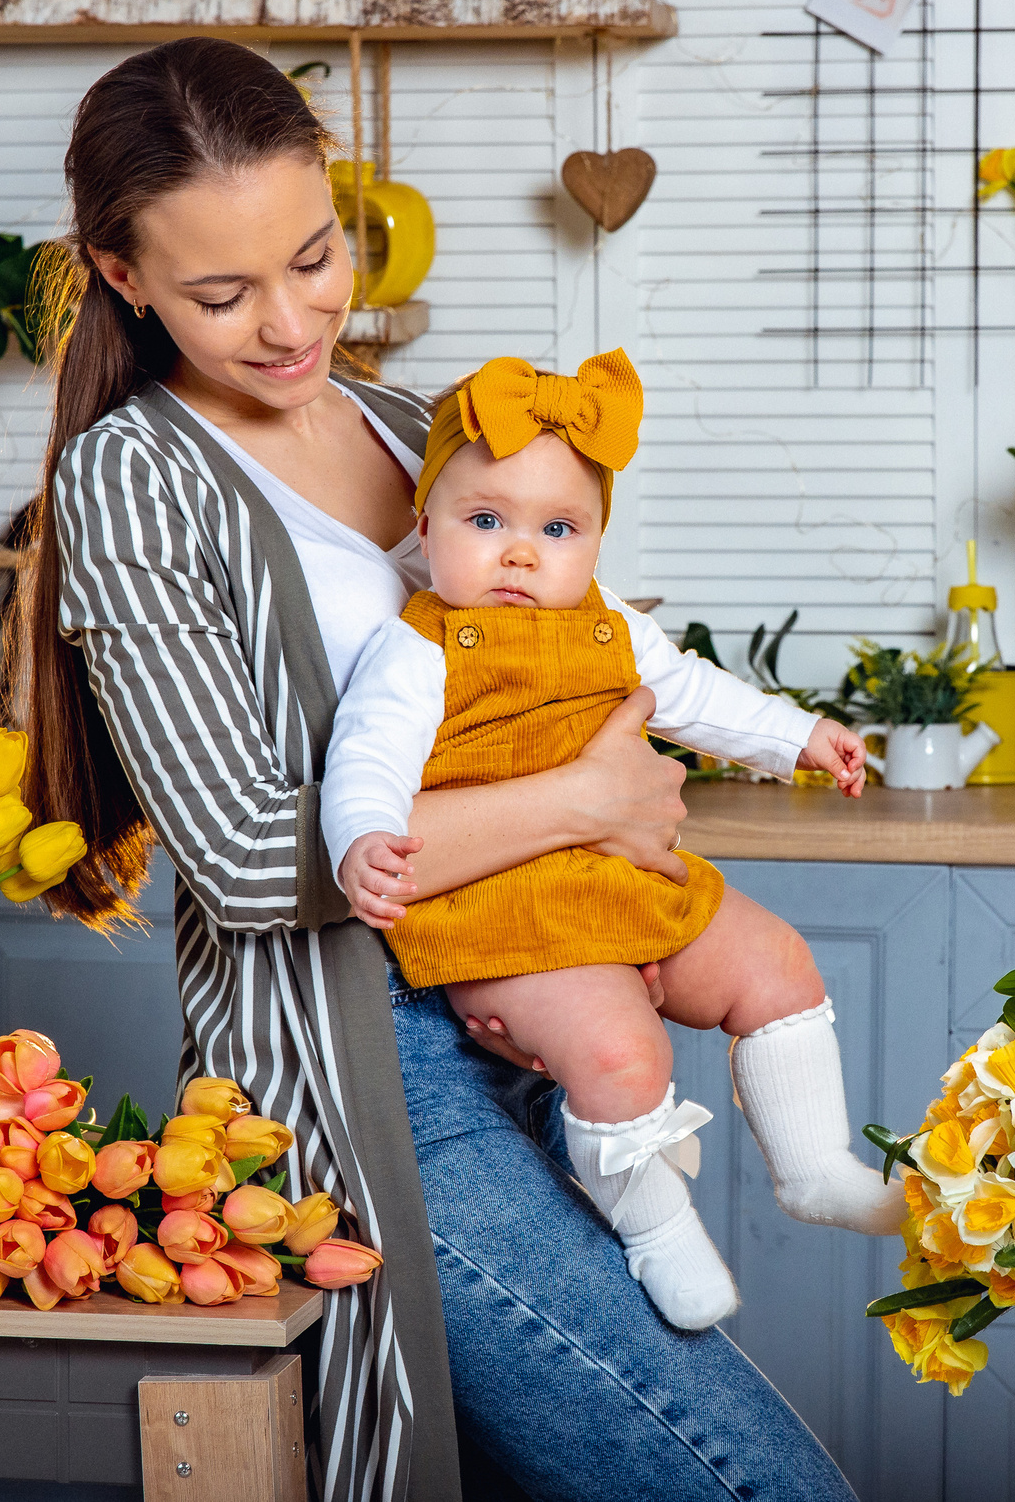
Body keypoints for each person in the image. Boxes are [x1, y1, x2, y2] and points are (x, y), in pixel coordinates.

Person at [14, 36, 862, 1502]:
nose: (291, 322)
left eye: (316, 255)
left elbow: (575, 662)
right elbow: (242, 855)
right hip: (369, 1081)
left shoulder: (424, 431)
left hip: (556, 1001)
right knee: (744, 1479)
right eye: (223, 294)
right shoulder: (131, 477)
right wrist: (590, 800)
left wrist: (671, 755)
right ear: (123, 273)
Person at [322, 350, 901, 1332]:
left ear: (594, 543)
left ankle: (814, 1169)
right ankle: (658, 1231)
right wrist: (362, 839)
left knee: (776, 961)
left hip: (623, 877)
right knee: (622, 1056)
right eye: (484, 521)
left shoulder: (612, 628)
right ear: (423, 529)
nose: (519, 553)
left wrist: (798, 735)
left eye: (557, 529)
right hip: (506, 910)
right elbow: (366, 759)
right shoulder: (417, 646)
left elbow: (699, 697)